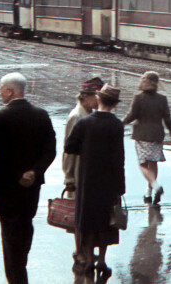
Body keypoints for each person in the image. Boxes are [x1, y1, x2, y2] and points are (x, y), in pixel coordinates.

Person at [0, 72, 56, 284]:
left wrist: (18, 174)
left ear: (10, 91)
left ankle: (16, 275)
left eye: (1, 89)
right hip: (32, 184)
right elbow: (50, 149)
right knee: (26, 223)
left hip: (6, 184)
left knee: (9, 228)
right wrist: (35, 171)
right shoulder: (41, 115)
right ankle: (21, 263)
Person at [64, 84, 125, 279]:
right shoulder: (116, 125)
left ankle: (89, 258)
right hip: (107, 182)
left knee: (88, 221)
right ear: (115, 104)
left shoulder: (84, 123)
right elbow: (119, 158)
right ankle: (102, 260)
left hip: (87, 180)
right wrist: (120, 186)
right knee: (105, 220)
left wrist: (88, 149)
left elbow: (70, 146)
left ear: (98, 99)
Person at [63, 77, 104, 268]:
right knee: (77, 214)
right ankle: (79, 251)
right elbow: (68, 150)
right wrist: (69, 176)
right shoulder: (76, 116)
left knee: (84, 214)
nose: (99, 101)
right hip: (78, 172)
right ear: (86, 97)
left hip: (87, 172)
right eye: (97, 97)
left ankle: (85, 250)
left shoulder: (88, 114)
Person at [123, 71, 171, 205]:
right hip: (157, 135)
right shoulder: (162, 99)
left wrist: (119, 124)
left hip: (142, 135)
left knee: (142, 164)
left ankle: (156, 186)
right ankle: (149, 192)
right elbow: (167, 119)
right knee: (153, 163)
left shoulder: (138, 98)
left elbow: (132, 115)